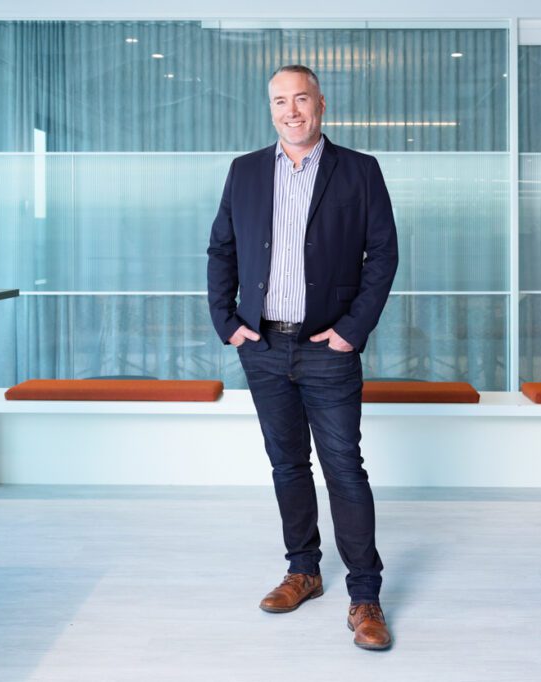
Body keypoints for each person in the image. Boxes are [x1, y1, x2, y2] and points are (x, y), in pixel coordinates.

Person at [206, 64, 399, 650]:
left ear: (321, 104)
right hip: (263, 347)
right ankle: (304, 571)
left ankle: (365, 595)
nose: (291, 110)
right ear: (270, 108)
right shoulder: (244, 171)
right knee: (287, 465)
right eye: (279, 101)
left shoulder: (360, 171)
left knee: (344, 468)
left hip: (328, 350)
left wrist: (350, 332)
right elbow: (222, 249)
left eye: (301, 99)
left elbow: (383, 256)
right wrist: (229, 324)